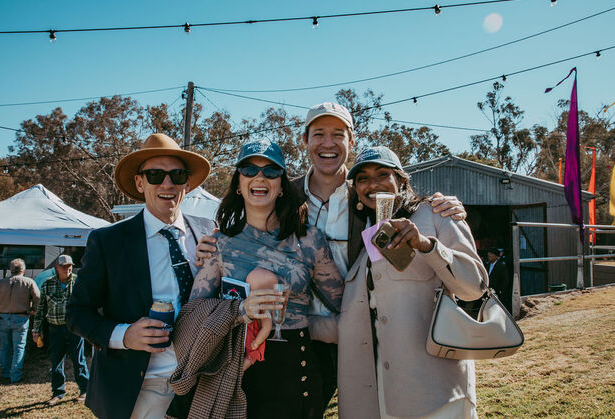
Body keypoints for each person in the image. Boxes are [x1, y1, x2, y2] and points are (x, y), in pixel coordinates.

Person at [195, 102, 469, 410]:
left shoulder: (367, 192)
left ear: (351, 140)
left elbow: (405, 207)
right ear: (305, 140)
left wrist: (441, 206)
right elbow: (247, 233)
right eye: (319, 134)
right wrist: (210, 245)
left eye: (338, 134)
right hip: (294, 338)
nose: (328, 143)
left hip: (363, 331)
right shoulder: (284, 192)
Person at [188, 139, 344, 419]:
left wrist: (314, 327)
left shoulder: (309, 240)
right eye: (249, 170)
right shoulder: (219, 244)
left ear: (282, 185)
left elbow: (342, 302)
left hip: (297, 369)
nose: (260, 177)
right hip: (238, 370)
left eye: (271, 171)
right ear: (238, 184)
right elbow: (193, 313)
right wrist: (240, 310)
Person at [66, 133, 214, 419]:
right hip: (139, 389)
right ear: (139, 182)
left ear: (187, 183)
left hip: (201, 384)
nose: (167, 184)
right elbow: (77, 313)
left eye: (177, 175)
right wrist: (124, 335)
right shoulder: (108, 242)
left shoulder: (208, 230)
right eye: (155, 175)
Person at [337, 146, 488, 418]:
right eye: (362, 178)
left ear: (401, 180)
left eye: (382, 174)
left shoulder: (435, 214)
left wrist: (426, 245)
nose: (373, 184)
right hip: (382, 396)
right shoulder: (362, 242)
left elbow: (474, 288)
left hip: (438, 394)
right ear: (356, 191)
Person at [32, 254, 89, 406]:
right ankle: (57, 393)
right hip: (55, 328)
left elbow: (87, 305)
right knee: (56, 360)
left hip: (75, 328)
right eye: (64, 266)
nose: (67, 269)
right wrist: (36, 330)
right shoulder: (47, 284)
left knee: (79, 360)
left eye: (69, 266)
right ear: (57, 268)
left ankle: (85, 390)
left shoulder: (79, 282)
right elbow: (41, 309)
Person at [0, 258, 40, 383]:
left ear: (10, 270)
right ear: (23, 270)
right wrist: (34, 310)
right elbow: (38, 298)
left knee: (4, 347)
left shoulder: (0, 282)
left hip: (3, 317)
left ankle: (5, 374)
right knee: (18, 347)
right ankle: (15, 376)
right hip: (21, 318)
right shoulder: (29, 282)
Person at [243, 267, 277, 371]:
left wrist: (257, 342)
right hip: (245, 333)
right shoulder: (247, 303)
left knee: (250, 356)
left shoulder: (265, 308)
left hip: (255, 336)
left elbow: (266, 328)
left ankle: (241, 369)